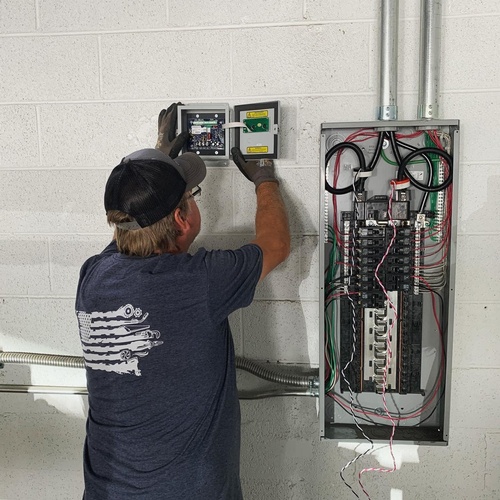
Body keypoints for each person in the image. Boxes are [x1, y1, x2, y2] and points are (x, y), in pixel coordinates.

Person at [75, 103, 290, 499]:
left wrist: (154, 163)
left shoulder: (93, 277)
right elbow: (275, 244)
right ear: (182, 218)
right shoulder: (200, 283)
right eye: (193, 196)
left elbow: (131, 226)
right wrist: (264, 179)